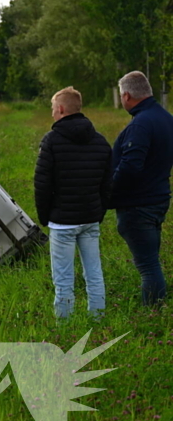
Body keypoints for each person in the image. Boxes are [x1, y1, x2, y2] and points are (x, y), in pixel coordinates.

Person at [34, 87, 113, 319]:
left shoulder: (51, 141)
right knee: (94, 273)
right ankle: (98, 320)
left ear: (60, 109)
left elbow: (42, 184)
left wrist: (45, 217)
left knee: (63, 279)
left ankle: (64, 327)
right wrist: (99, 212)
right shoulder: (101, 142)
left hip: (62, 222)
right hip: (90, 219)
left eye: (52, 108)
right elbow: (108, 184)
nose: (52, 113)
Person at [110, 70, 173, 307]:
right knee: (151, 261)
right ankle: (157, 309)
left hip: (138, 205)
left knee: (148, 267)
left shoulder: (141, 124)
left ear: (126, 95)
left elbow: (130, 167)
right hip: (158, 199)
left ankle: (153, 313)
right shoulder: (167, 118)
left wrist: (109, 192)